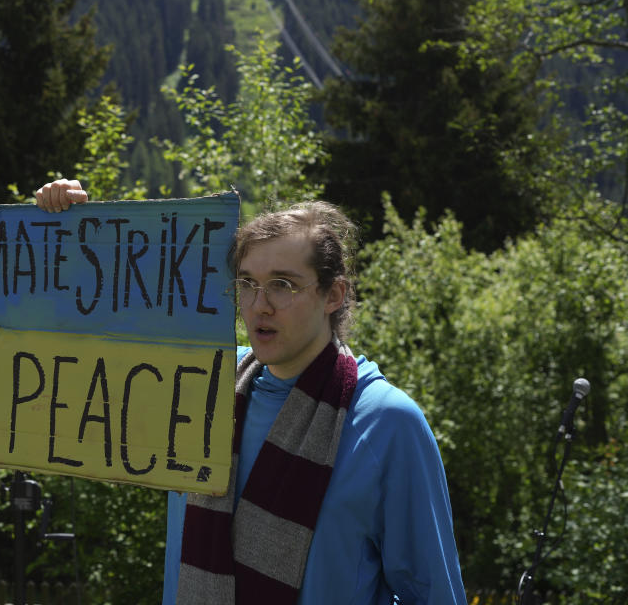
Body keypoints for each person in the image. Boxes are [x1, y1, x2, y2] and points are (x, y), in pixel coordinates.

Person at [35, 178, 467, 605]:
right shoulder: (199, 382)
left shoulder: (387, 423)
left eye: (284, 284)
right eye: (246, 283)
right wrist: (73, 228)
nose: (260, 304)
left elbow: (433, 594)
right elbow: (95, 341)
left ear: (334, 294)